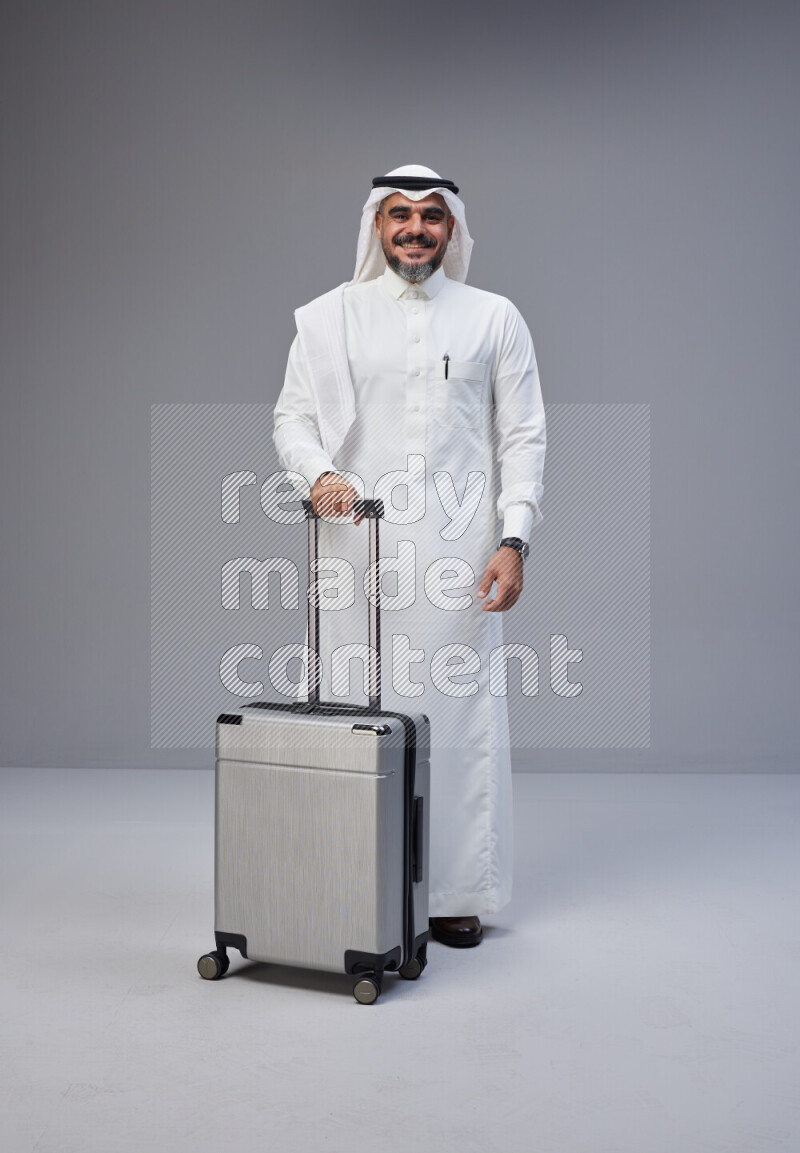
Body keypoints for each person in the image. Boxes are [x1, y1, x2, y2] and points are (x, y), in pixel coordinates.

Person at [273, 164, 545, 948]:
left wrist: (514, 538)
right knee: (349, 714)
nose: (415, 228)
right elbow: (291, 420)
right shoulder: (331, 319)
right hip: (356, 548)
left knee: (456, 717)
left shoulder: (494, 317)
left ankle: (455, 891)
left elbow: (523, 435)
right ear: (376, 225)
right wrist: (318, 472)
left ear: (453, 228)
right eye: (400, 214)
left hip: (462, 557)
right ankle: (348, 876)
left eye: (431, 215)